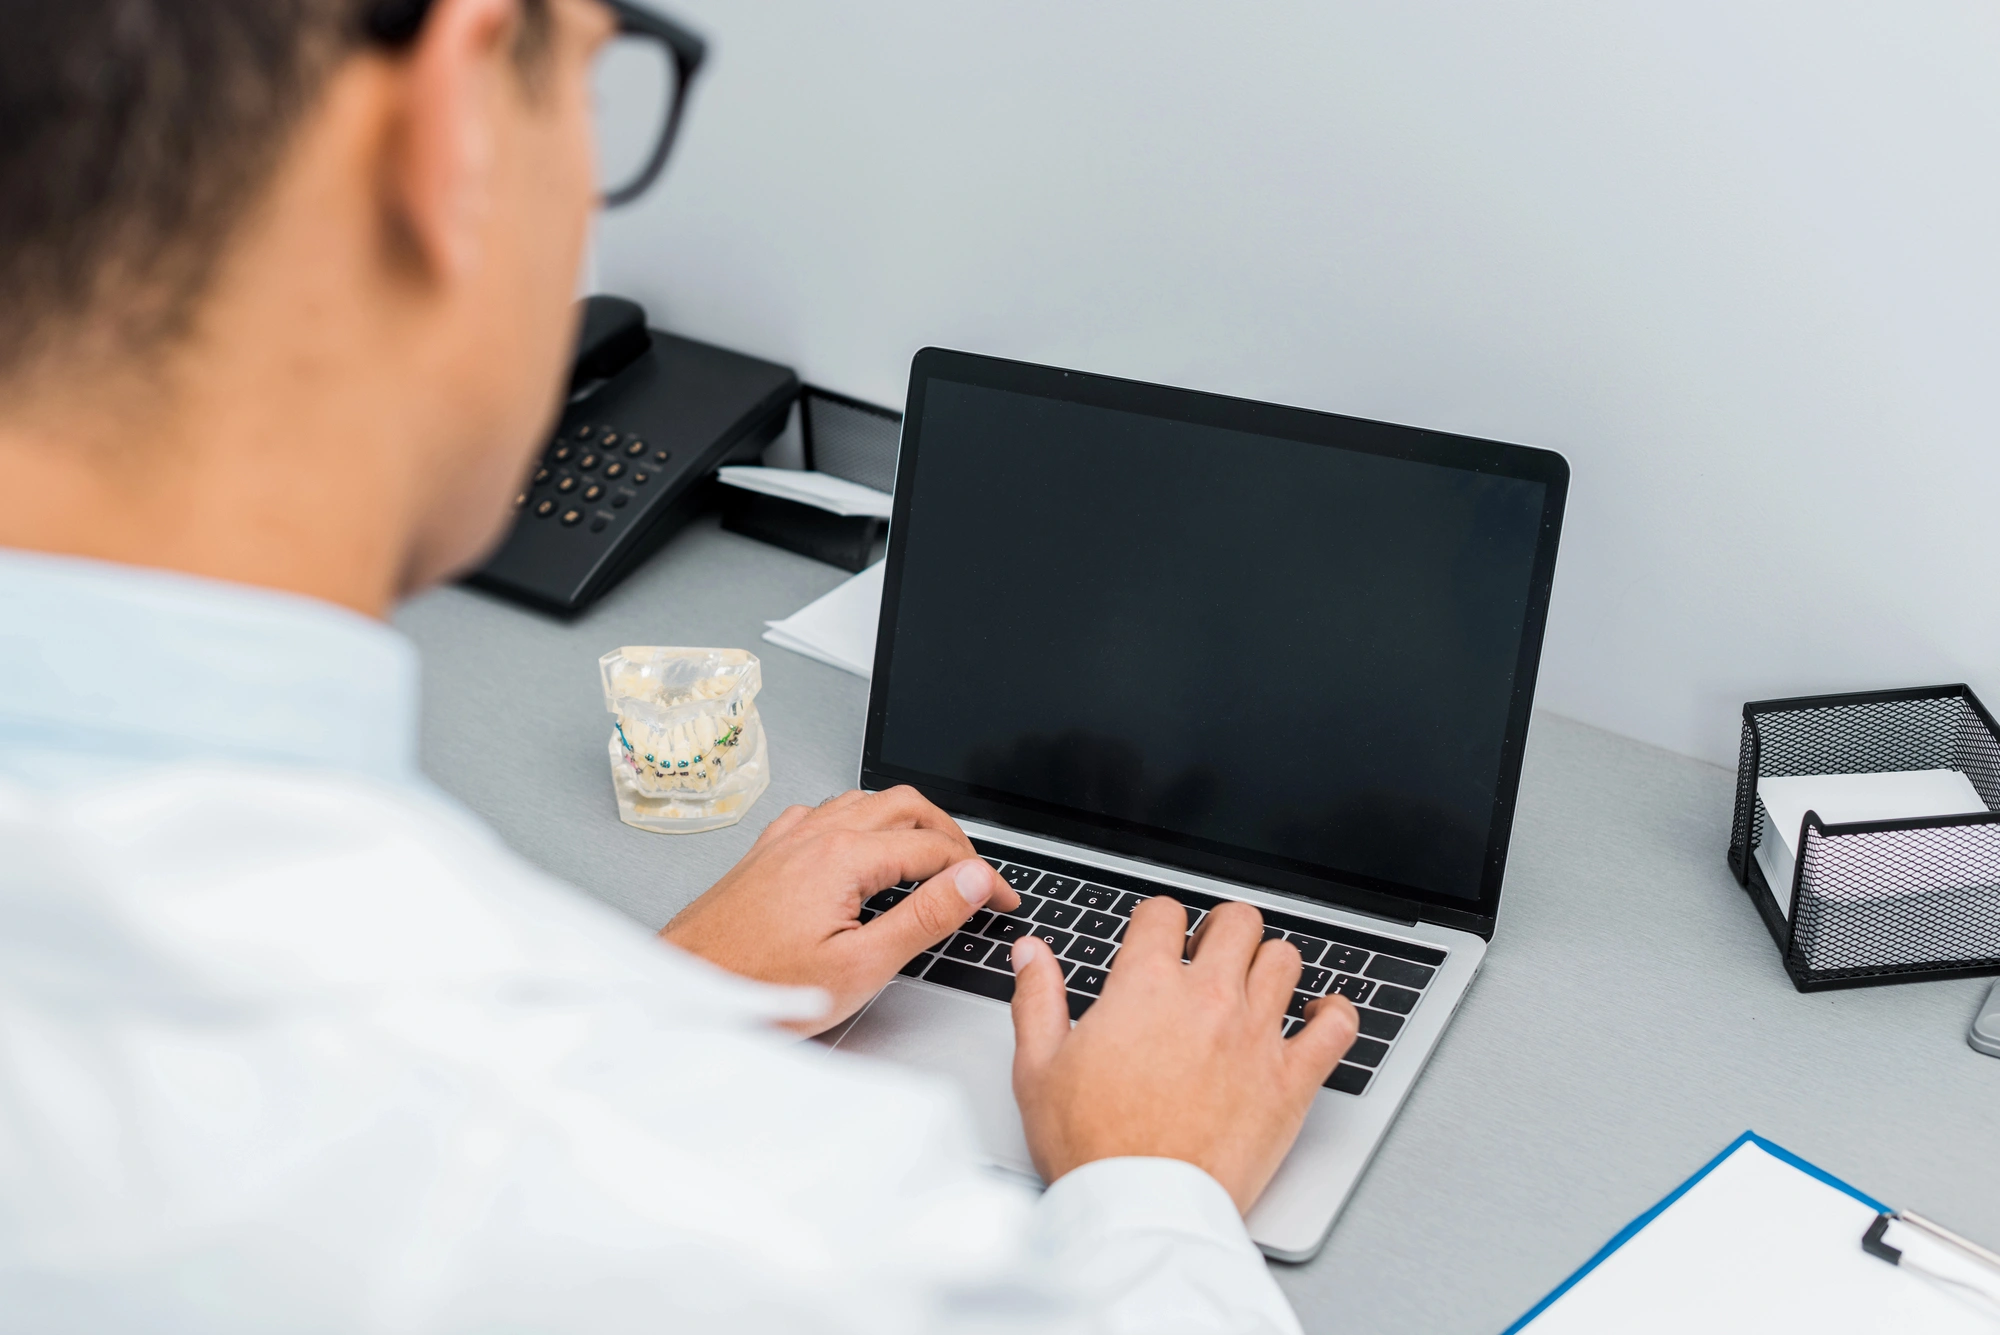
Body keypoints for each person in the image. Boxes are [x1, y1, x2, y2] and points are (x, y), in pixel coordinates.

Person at [0, 0, 1360, 1329]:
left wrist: (672, 1009)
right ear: (458, 118)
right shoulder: (738, 1219)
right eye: (596, 85)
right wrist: (1152, 1185)